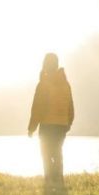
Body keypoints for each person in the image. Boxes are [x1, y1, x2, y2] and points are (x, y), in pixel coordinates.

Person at [27, 53, 75, 185]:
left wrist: (31, 128)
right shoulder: (66, 84)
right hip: (62, 125)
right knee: (57, 152)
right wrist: (68, 123)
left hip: (47, 124)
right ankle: (58, 180)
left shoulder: (43, 84)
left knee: (46, 153)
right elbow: (70, 105)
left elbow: (37, 107)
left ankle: (49, 181)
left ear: (45, 65)